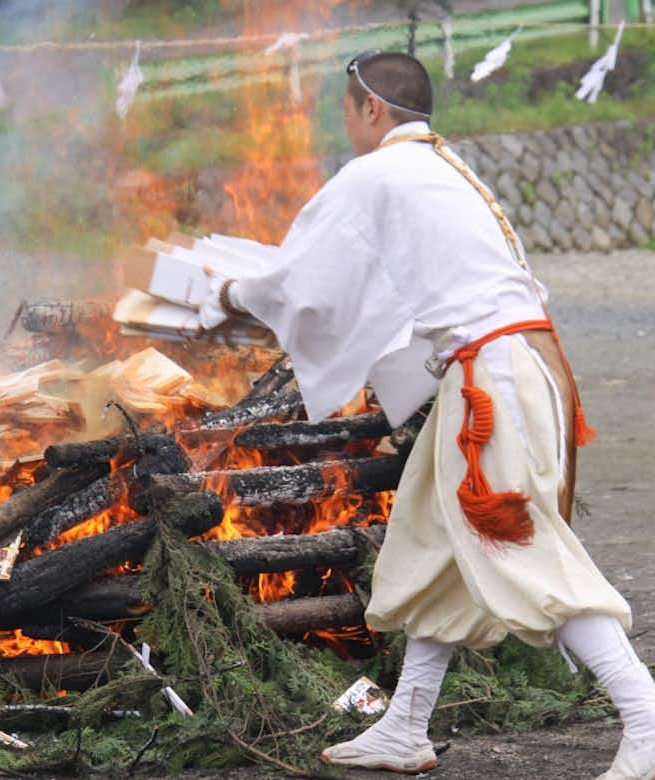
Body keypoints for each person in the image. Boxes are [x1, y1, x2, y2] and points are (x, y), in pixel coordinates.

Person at [197, 51, 655, 780]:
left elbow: (305, 282)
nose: (345, 126)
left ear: (370, 108)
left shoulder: (379, 172)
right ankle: (404, 727)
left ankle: (646, 717)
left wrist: (221, 298)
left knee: (525, 554)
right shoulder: (445, 169)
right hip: (507, 369)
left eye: (346, 111)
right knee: (429, 546)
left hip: (492, 385)